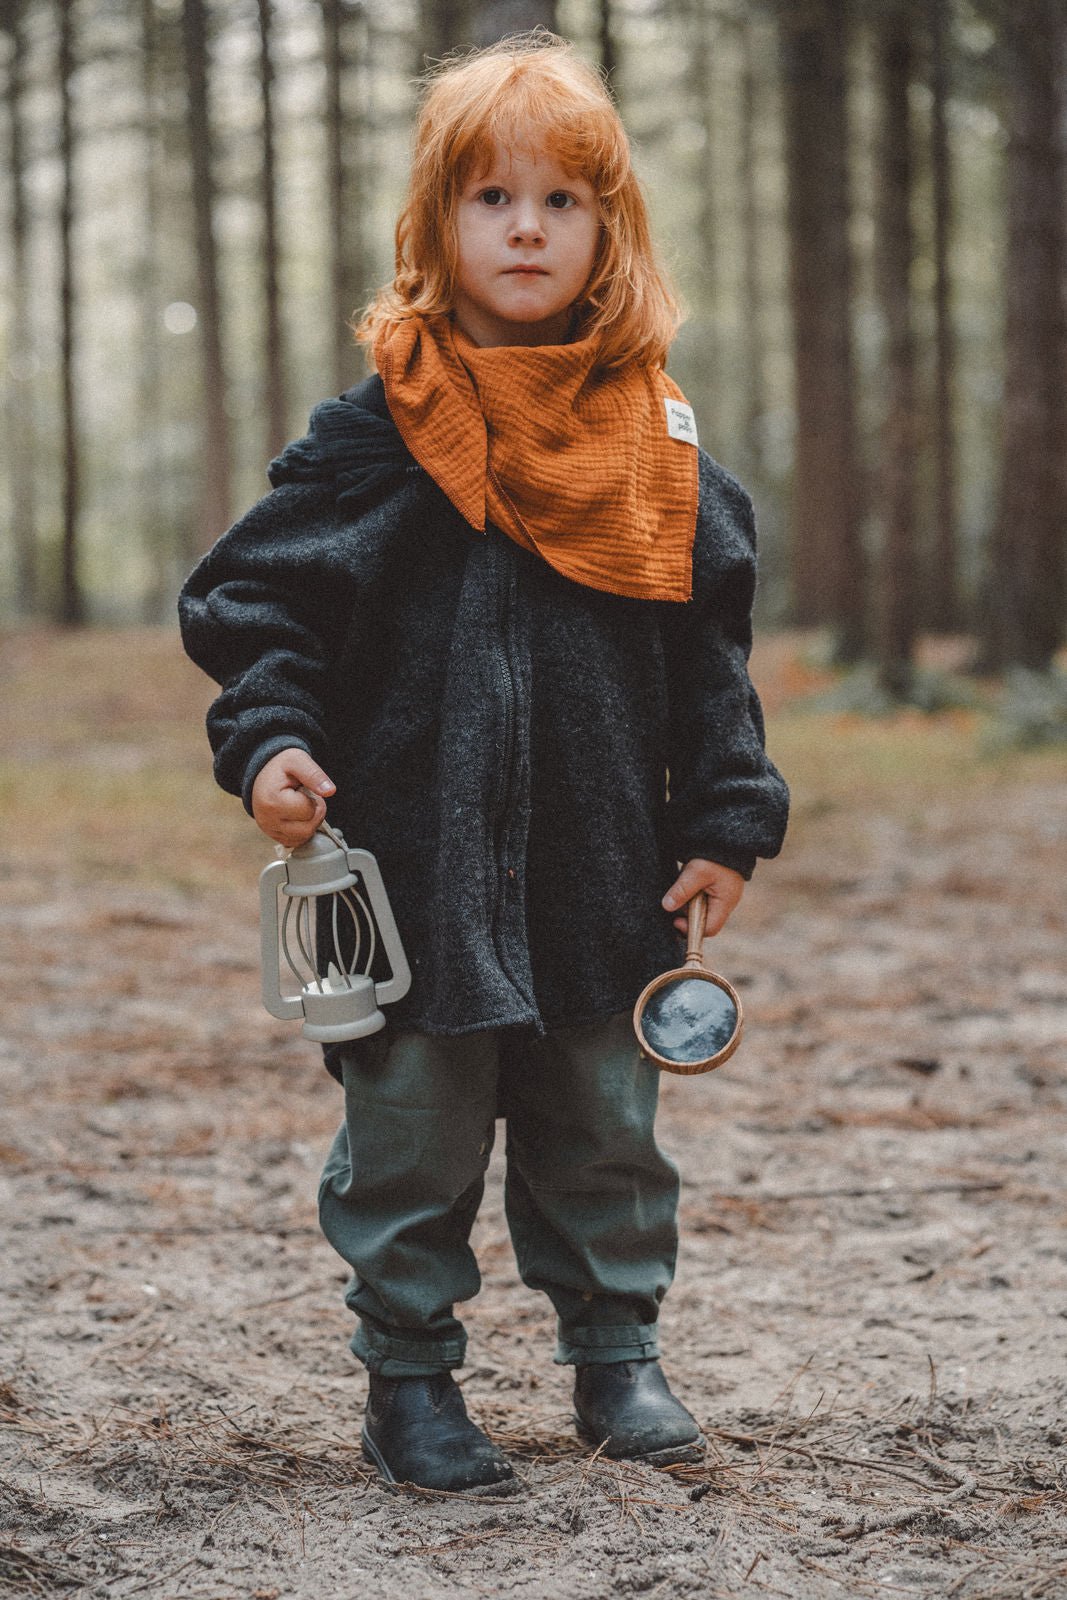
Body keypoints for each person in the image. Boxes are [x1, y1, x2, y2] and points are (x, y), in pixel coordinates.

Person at [179, 33, 789, 1496]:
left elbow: (710, 657)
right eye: (492, 198)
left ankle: (616, 1354)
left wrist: (724, 818)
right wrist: (270, 740)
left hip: (600, 866)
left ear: (610, 231)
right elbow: (252, 605)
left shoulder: (659, 453)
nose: (527, 227)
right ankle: (409, 1378)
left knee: (603, 1126)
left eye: (564, 201)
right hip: (411, 864)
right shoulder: (381, 437)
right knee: (410, 1129)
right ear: (435, 227)